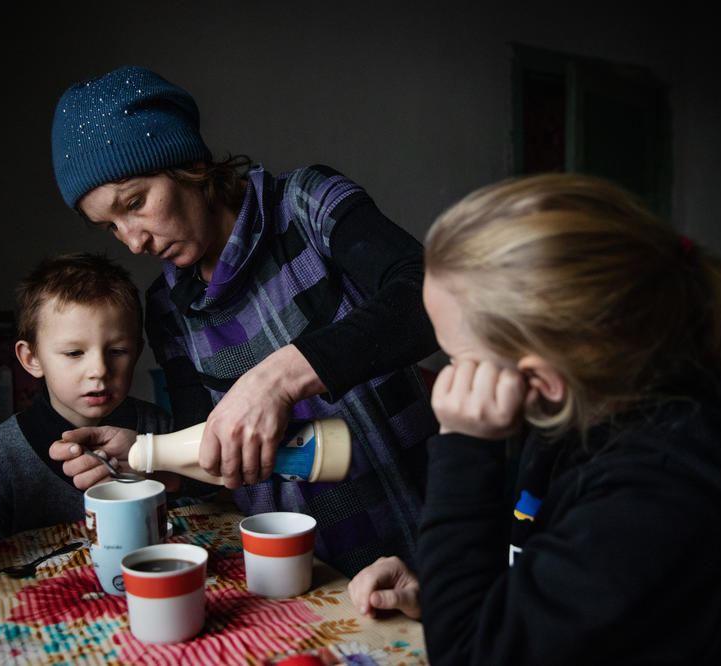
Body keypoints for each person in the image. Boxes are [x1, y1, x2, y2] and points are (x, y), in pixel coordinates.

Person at [348, 173, 721, 663]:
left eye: (457, 358)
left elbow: (474, 656)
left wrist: (465, 447)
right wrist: (446, 595)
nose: (450, 375)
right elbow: (565, 597)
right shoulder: (582, 417)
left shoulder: (653, 503)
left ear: (542, 379)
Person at [46, 65, 439, 577]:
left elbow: (431, 296)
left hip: (427, 545)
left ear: (186, 164)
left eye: (136, 203)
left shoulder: (306, 204)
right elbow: (216, 466)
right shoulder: (168, 308)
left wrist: (278, 379)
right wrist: (144, 458)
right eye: (111, 226)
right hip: (302, 580)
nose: (134, 240)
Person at [0, 251, 173, 542]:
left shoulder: (162, 432)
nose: (99, 370)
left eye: (117, 351)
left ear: (137, 351)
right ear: (32, 358)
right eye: (74, 353)